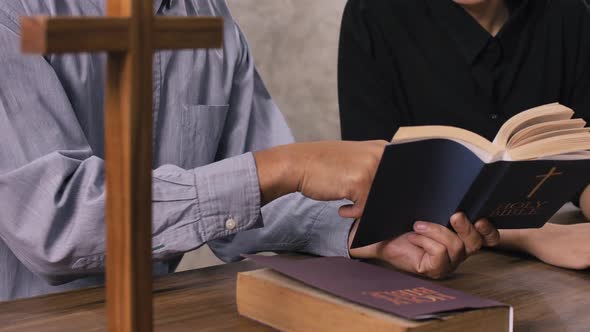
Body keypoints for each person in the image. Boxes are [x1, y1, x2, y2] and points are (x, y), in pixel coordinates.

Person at [0, 0, 499, 301]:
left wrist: (369, 235)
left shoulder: (208, 16)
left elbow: (262, 196)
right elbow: (55, 220)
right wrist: (287, 165)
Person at [338, 0, 590, 270]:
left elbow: (584, 162)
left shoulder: (567, 11)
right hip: (423, 257)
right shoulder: (373, 12)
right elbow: (377, 191)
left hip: (547, 263)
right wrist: (535, 235)